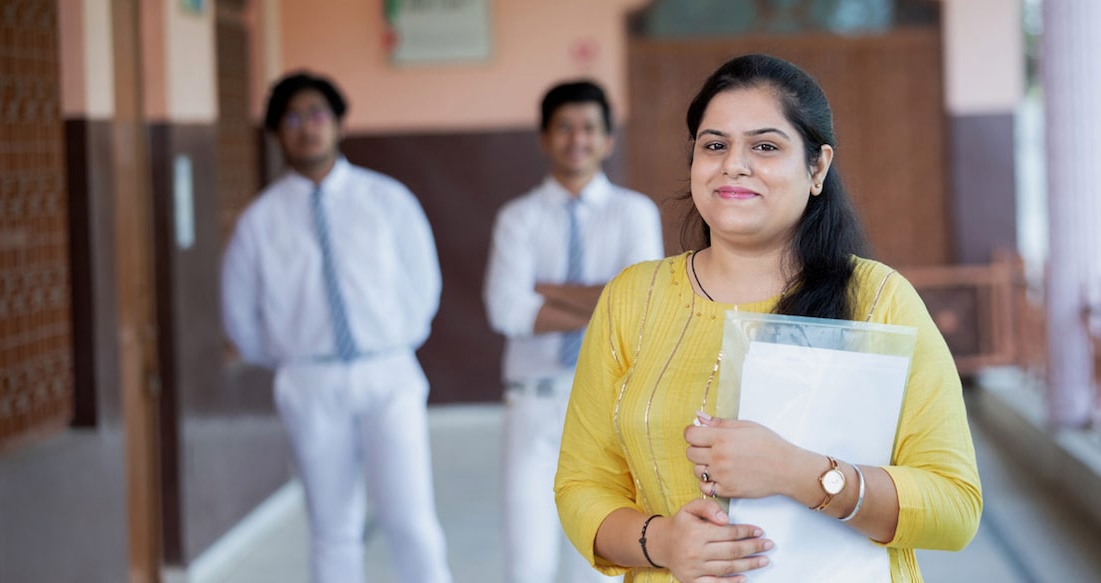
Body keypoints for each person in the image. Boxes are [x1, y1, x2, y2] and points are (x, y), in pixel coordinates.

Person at [554, 54, 982, 582]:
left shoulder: (878, 300)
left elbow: (955, 507)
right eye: (714, 145)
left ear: (817, 167)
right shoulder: (633, 298)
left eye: (765, 146)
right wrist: (664, 542)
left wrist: (800, 474)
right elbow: (581, 484)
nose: (734, 164)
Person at [221, 71, 453, 583]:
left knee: (409, 519)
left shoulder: (387, 200)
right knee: (332, 528)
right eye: (293, 117)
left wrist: (389, 343)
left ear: (340, 124)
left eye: (319, 114)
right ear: (277, 131)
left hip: (387, 372)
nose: (308, 127)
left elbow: (423, 284)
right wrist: (295, 357)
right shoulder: (259, 221)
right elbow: (240, 316)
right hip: (310, 381)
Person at [483, 80, 664, 583]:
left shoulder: (634, 212)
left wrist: (545, 291)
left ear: (608, 140)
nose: (576, 139)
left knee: (598, 563)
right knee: (528, 561)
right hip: (534, 403)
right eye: (563, 127)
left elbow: (641, 307)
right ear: (543, 138)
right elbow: (505, 309)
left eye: (589, 128)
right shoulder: (517, 218)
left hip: (608, 405)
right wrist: (604, 298)